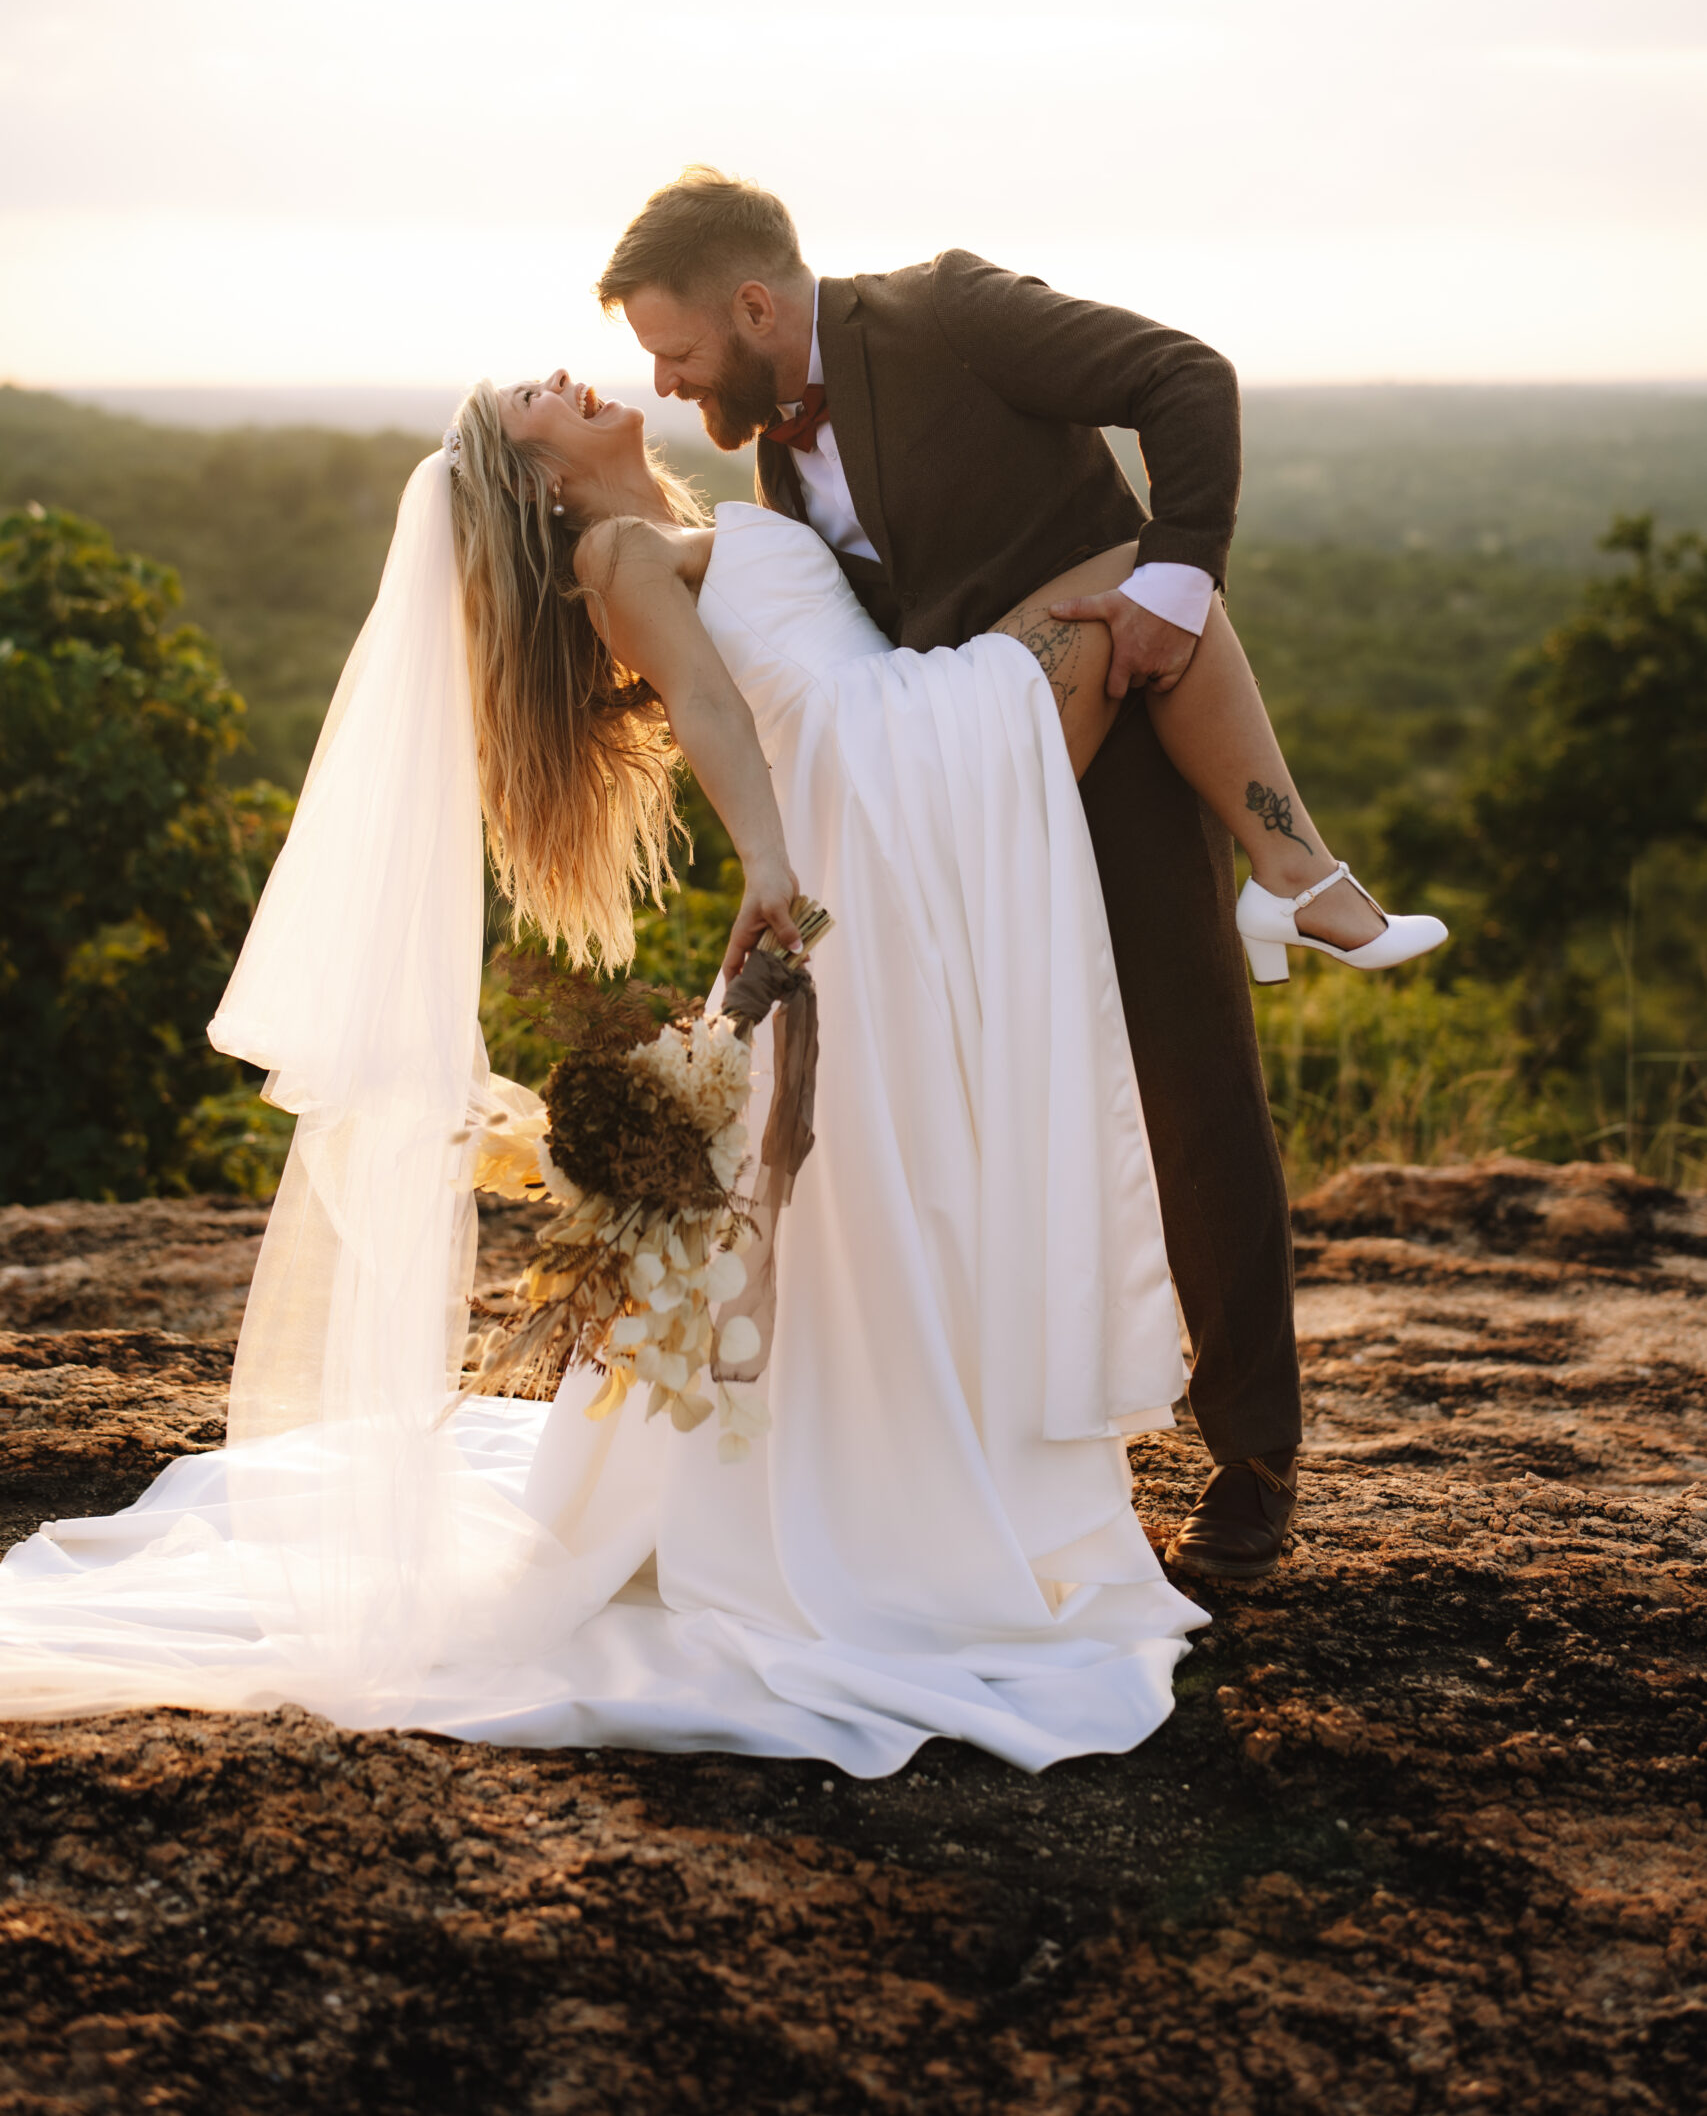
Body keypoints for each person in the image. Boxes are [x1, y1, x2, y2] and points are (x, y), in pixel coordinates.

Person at [0, 346, 1437, 1769]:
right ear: (533, 475)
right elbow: (701, 706)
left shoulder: (701, 509)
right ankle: (1295, 873)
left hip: (889, 763)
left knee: (892, 1159)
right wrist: (771, 868)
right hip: (878, 788)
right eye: (533, 400)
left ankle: (1286, 882)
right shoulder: (620, 554)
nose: (565, 376)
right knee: (1141, 570)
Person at [595, 167, 1444, 1579]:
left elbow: (1185, 380)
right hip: (947, 810)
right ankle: (1010, 1443)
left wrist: (1178, 580)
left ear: (753, 303)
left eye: (678, 351)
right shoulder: (770, 465)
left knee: (1188, 1085)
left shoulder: (948, 310)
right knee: (983, 1114)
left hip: (1105, 775)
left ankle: (1251, 1464)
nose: (674, 385)